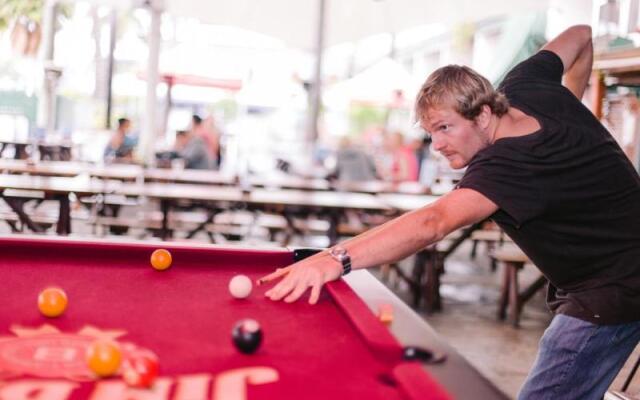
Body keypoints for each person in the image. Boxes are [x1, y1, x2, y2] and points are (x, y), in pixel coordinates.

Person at [257, 25, 640, 400]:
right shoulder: (527, 85)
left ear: (485, 115)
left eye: (445, 128)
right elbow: (580, 34)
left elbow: (433, 223)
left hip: (614, 288)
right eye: (430, 132)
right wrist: (571, 101)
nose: (436, 144)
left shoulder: (504, 166)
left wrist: (336, 259)